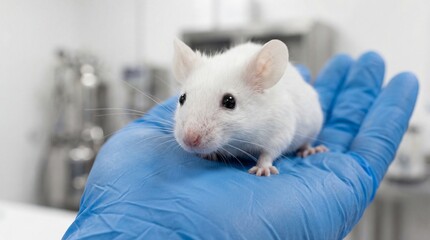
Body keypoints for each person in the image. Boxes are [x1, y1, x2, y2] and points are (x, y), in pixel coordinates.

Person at [63, 52, 418, 239]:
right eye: (183, 100)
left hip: (300, 129)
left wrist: (266, 157)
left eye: (229, 103)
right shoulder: (205, 76)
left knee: (309, 117)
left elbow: (286, 124)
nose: (191, 136)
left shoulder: (266, 96)